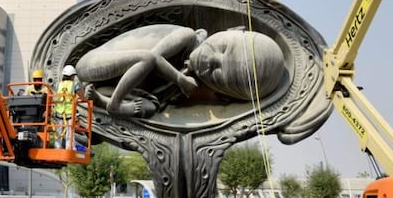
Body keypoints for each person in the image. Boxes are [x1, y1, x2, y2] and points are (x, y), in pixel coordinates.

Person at [76, 24, 285, 118]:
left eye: (216, 71)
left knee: (150, 107)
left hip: (115, 81)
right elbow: (154, 58)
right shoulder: (186, 36)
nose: (210, 59)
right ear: (233, 30)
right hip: (93, 64)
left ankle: (102, 99)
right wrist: (180, 80)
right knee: (147, 57)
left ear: (221, 92)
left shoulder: (189, 73)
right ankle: (114, 106)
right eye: (223, 49)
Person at [52, 65, 79, 149]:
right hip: (69, 113)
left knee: (58, 132)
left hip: (59, 112)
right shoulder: (74, 85)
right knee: (70, 133)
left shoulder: (58, 84)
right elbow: (82, 96)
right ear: (71, 76)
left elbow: (54, 96)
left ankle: (58, 148)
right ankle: (69, 148)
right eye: (73, 76)